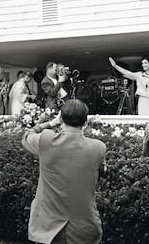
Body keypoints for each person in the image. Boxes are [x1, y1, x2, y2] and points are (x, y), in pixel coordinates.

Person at [22, 99, 106, 244]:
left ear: (61, 119)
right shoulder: (98, 148)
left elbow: (27, 135)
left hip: (48, 229)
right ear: (85, 123)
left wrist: (50, 123)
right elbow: (102, 171)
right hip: (84, 228)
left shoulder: (46, 141)